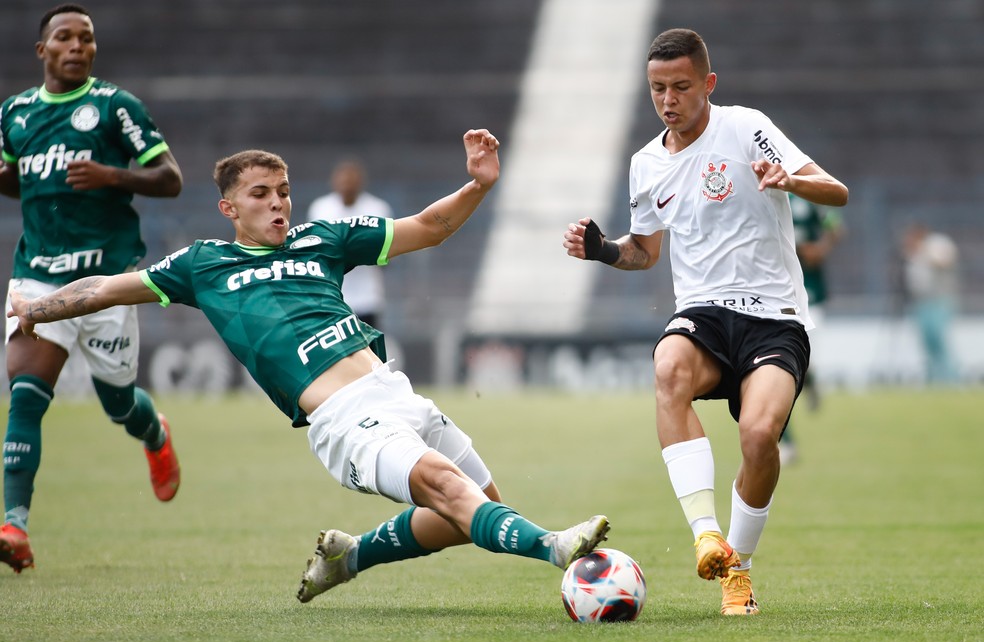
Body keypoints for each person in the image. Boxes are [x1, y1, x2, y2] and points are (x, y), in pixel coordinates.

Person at [7, 130, 611, 602]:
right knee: (451, 491)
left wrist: (476, 186)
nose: (278, 204)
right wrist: (39, 307)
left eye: (284, 191)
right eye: (261, 195)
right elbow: (107, 288)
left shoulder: (322, 239)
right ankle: (555, 547)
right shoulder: (201, 264)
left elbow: (427, 228)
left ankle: (349, 559)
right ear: (228, 207)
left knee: (469, 509)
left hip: (392, 389)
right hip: (342, 418)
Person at [563, 29, 848, 615]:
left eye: (681, 87)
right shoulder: (645, 164)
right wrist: (602, 250)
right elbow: (645, 251)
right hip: (703, 313)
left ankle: (737, 569)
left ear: (708, 84)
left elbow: (836, 191)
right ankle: (705, 533)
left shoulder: (745, 127)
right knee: (667, 367)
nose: (669, 99)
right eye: (658, 89)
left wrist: (790, 180)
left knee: (760, 436)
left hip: (775, 317)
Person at [0, 4, 183, 574]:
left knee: (118, 403)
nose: (77, 46)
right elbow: (14, 177)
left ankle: (153, 434)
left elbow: (170, 178)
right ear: (43, 51)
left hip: (106, 282)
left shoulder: (114, 106)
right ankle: (15, 526)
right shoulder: (15, 113)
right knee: (26, 394)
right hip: (38, 276)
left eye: (87, 38)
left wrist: (113, 176)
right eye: (64, 37)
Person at [778, 196, 845, 465]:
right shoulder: (754, 192)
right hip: (773, 297)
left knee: (804, 364)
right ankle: (787, 443)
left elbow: (836, 226)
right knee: (781, 371)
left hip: (810, 294)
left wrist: (822, 247)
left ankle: (812, 381)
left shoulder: (807, 197)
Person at [307, 160, 393, 328]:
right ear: (334, 182)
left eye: (351, 182)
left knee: (369, 349)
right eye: (343, 182)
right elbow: (316, 250)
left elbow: (387, 252)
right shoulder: (320, 208)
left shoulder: (377, 209)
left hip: (368, 297)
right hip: (333, 297)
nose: (347, 187)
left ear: (360, 183)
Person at [901, 223, 959, 384]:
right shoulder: (912, 254)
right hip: (921, 302)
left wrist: (924, 251)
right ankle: (933, 379)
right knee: (927, 343)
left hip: (939, 300)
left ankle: (950, 379)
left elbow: (945, 261)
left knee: (939, 340)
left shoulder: (937, 244)